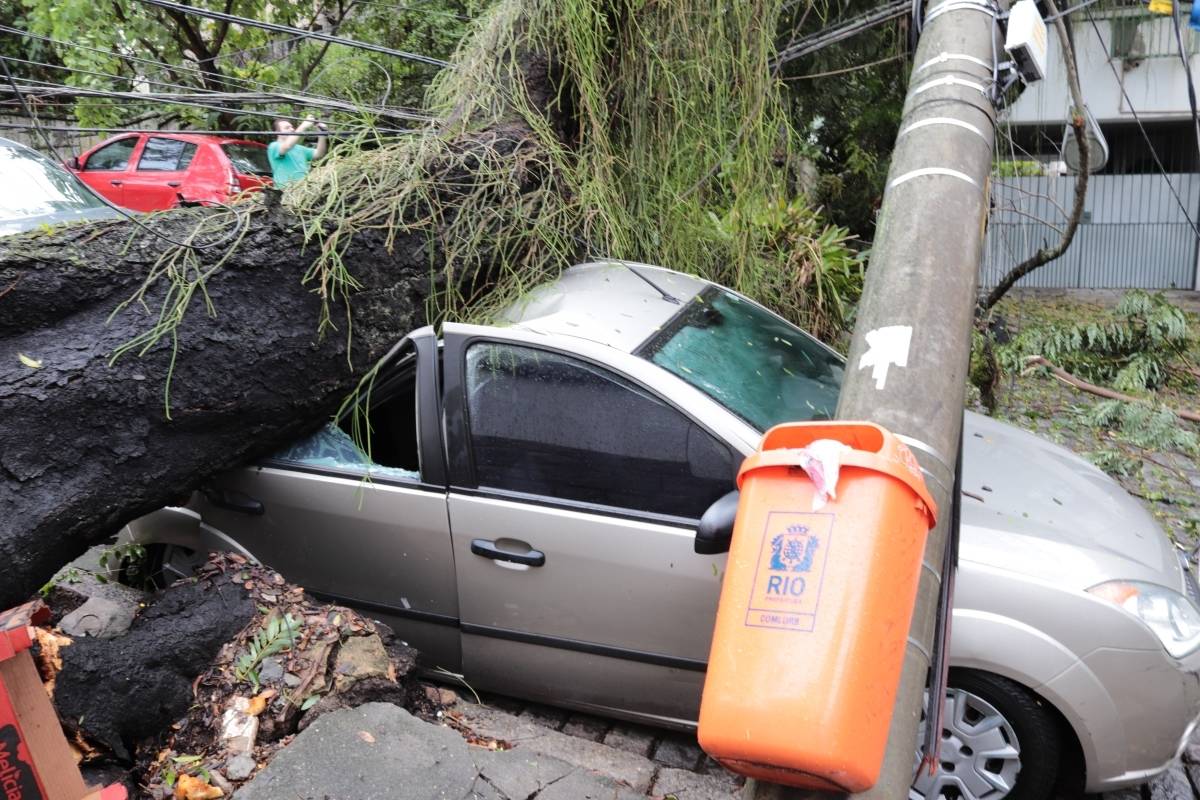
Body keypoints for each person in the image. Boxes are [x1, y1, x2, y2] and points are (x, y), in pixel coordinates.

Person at [267, 114, 328, 187]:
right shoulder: (274, 146)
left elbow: (319, 154)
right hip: (284, 191)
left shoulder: (300, 148)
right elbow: (287, 146)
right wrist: (303, 125)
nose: (292, 129)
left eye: (292, 127)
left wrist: (322, 134)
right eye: (287, 128)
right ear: (277, 132)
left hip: (302, 191)